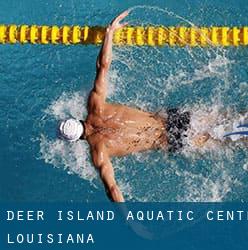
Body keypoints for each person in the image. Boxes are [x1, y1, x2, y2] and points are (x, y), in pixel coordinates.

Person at [58, 11, 210, 202]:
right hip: (172, 118)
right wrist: (109, 33)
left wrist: (131, 223)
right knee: (226, 118)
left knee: (228, 141)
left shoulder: (99, 152)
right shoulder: (95, 105)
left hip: (171, 140)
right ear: (76, 119)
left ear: (76, 140)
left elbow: (112, 189)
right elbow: (103, 66)